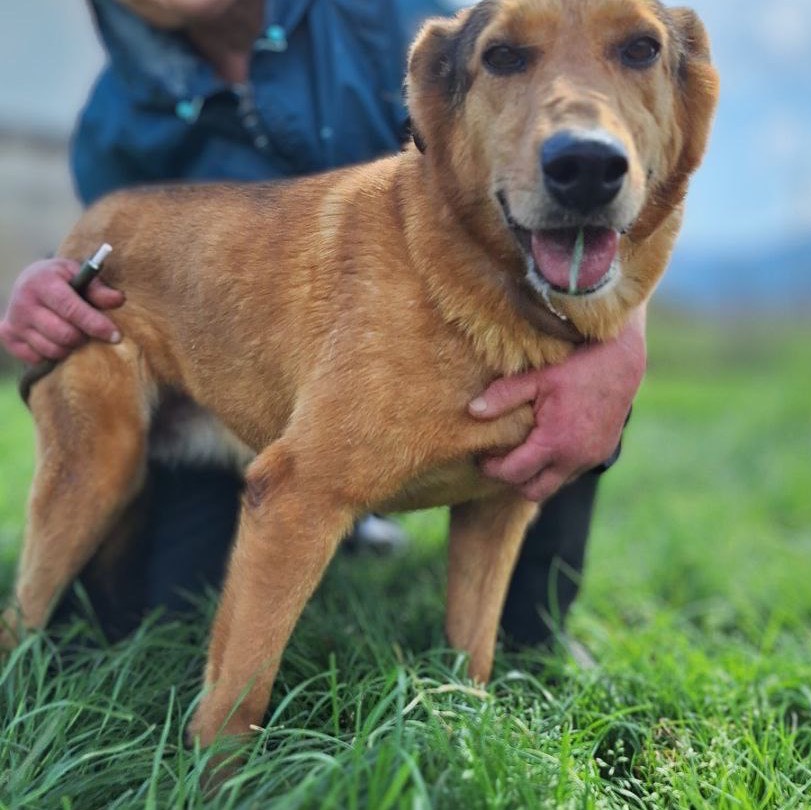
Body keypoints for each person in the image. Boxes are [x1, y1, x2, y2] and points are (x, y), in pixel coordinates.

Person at [0, 0, 646, 652]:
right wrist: (47, 281)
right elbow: (111, 263)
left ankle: (526, 625)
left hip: (470, 334)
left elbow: (583, 147)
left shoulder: (395, 21)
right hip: (236, 387)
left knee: (563, 385)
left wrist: (619, 344)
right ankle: (335, 513)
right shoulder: (113, 122)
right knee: (153, 612)